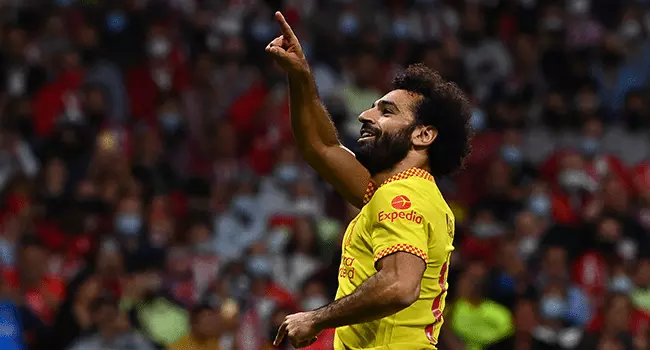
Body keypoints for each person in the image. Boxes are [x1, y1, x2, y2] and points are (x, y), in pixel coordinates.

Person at [266, 11, 472, 350]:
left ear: (423, 135)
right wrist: (300, 75)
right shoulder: (392, 190)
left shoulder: (402, 197)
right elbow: (322, 146)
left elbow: (400, 285)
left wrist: (315, 318)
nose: (365, 114)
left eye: (386, 111)